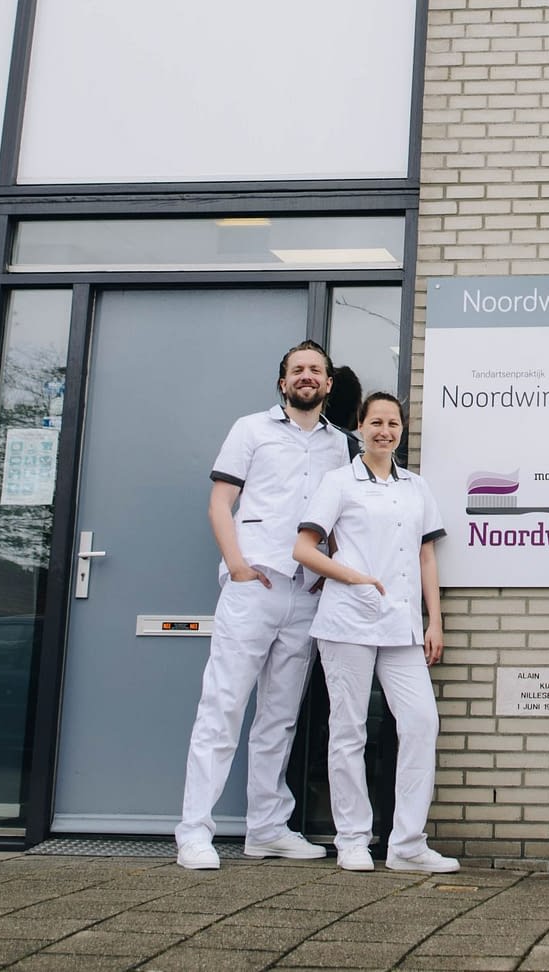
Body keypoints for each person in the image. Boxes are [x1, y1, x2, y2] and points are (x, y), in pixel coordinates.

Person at [176, 340, 350, 871]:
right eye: (297, 370)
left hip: (305, 594)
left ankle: (267, 829)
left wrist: (329, 569)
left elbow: (341, 516)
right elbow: (219, 504)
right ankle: (194, 832)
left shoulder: (340, 445)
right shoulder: (250, 429)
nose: (306, 376)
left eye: (315, 370)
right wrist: (237, 565)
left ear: (328, 384)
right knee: (222, 706)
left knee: (280, 716)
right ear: (283, 382)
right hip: (254, 586)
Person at [291, 391, 458, 873]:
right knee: (349, 730)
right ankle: (352, 839)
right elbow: (304, 549)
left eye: (393, 424)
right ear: (360, 428)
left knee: (421, 723)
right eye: (376, 422)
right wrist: (355, 578)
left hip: (402, 626)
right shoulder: (339, 482)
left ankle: (407, 844)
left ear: (401, 430)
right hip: (349, 620)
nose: (385, 431)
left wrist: (434, 620)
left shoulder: (415, 486)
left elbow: (426, 556)